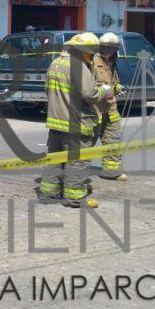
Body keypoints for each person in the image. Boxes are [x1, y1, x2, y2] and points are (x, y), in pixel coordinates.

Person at [36, 32, 111, 208]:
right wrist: (104, 91)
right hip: (76, 122)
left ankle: (49, 193)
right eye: (91, 53)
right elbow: (90, 94)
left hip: (55, 122)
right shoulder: (78, 66)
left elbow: (48, 90)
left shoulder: (55, 63)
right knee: (77, 161)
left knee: (54, 159)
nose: (91, 57)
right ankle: (75, 197)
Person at [94, 33, 126, 181]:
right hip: (95, 110)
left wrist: (118, 87)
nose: (110, 51)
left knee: (113, 140)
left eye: (113, 48)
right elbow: (88, 87)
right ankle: (73, 173)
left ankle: (111, 172)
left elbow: (113, 82)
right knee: (87, 142)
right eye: (108, 47)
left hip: (111, 109)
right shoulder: (93, 62)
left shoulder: (112, 62)